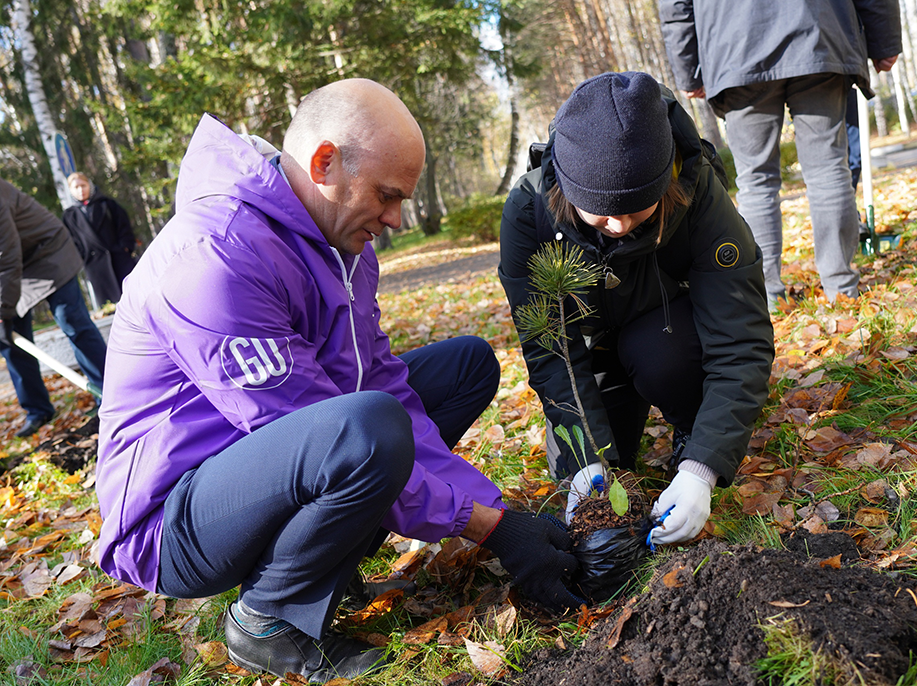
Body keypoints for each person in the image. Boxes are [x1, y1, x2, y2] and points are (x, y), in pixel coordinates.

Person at [94, 79, 581, 684]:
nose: (397, 218)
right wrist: (490, 530)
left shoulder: (343, 245)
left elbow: (381, 385)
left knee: (463, 368)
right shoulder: (215, 258)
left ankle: (325, 563)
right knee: (367, 429)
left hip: (277, 458)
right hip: (176, 518)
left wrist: (496, 513)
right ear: (324, 162)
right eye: (386, 194)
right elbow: (338, 428)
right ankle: (267, 620)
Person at [498, 72, 774, 546]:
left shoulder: (698, 191)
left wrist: (701, 469)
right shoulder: (529, 211)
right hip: (591, 353)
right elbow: (550, 353)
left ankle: (691, 428)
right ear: (567, 186)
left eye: (637, 206)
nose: (620, 224)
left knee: (663, 357)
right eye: (600, 210)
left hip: (667, 335)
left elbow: (741, 340)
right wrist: (585, 459)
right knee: (602, 465)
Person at [660, 0, 902, 307]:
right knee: (828, 169)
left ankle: (767, 296)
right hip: (819, 32)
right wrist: (885, 40)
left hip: (736, 45)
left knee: (756, 180)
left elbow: (676, 6)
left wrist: (688, 70)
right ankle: (841, 289)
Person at [0, 178, 107, 437]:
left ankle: (110, 392)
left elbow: (6, 255)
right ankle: (38, 409)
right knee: (11, 340)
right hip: (18, 267)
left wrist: (2, 310)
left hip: (49, 251)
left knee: (72, 322)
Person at [62, 172, 138, 305]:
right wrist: (83, 259)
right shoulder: (70, 216)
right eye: (76, 187)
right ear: (70, 190)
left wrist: (125, 247)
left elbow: (124, 226)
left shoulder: (107, 205)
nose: (81, 190)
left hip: (120, 259)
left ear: (89, 185)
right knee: (111, 308)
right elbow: (72, 242)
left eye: (83, 185)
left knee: (134, 299)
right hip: (96, 266)